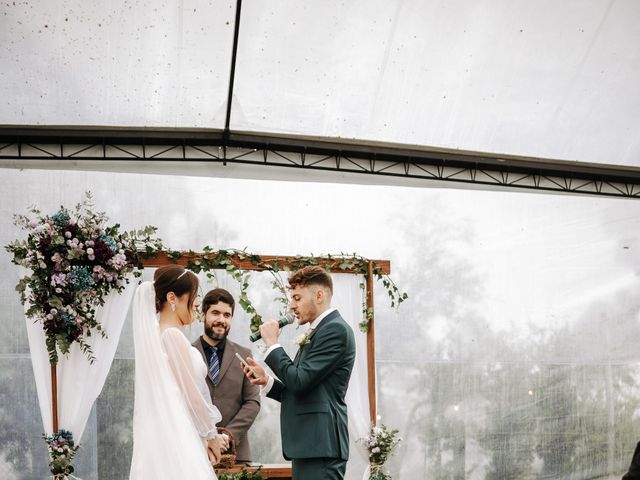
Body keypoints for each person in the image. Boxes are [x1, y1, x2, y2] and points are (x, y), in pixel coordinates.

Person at [241, 266, 356, 480]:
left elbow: (299, 381)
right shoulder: (320, 330)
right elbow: (303, 388)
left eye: (297, 298)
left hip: (322, 446)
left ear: (319, 295)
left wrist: (273, 344)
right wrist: (266, 382)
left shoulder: (336, 330)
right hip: (310, 445)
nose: (291, 305)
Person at [130, 265, 229, 480]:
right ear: (172, 298)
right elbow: (191, 394)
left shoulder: (157, 335)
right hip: (179, 440)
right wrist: (211, 435)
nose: (195, 303)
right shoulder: (172, 337)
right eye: (192, 297)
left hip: (167, 437)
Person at [192, 288, 260, 463]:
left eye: (227, 315)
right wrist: (207, 437)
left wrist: (227, 435)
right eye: (215, 313)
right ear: (203, 315)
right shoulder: (186, 353)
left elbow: (253, 402)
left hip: (236, 454)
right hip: (194, 451)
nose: (221, 320)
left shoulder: (245, 355)